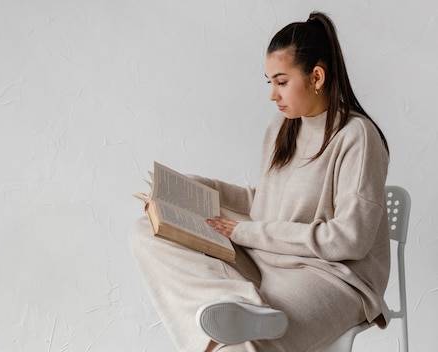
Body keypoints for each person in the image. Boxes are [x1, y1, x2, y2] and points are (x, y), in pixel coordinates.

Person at [129, 11, 391, 352]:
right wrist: (192, 188)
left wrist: (245, 232)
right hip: (265, 260)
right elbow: (264, 202)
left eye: (281, 82)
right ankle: (242, 305)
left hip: (330, 277)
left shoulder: (356, 136)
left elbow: (349, 239)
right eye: (270, 82)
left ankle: (247, 315)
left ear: (316, 76)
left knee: (237, 346)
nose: (272, 94)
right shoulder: (282, 128)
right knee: (144, 231)